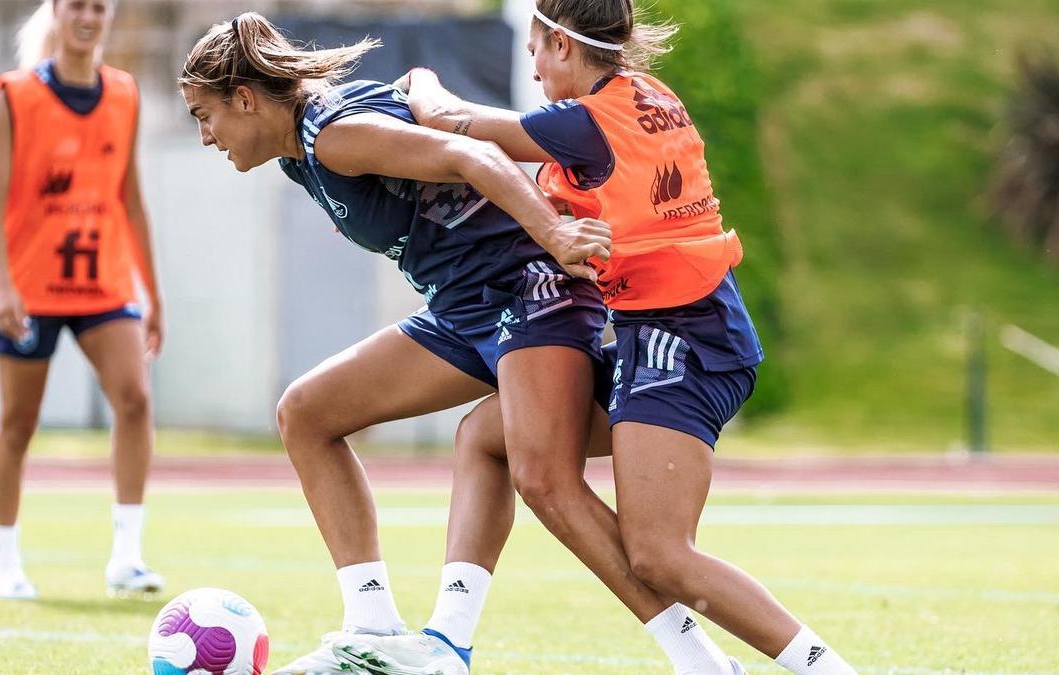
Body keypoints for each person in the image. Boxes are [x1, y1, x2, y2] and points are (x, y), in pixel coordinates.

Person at [179, 13, 743, 675]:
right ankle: (379, 629)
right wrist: (424, 87)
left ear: (246, 99)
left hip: (531, 292)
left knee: (547, 481)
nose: (205, 135)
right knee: (307, 413)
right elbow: (425, 118)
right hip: (465, 309)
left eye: (204, 114)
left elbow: (469, 155)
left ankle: (701, 660)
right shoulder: (303, 154)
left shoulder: (334, 135)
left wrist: (556, 236)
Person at [333, 1, 858, 674]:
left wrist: (420, 79)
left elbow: (453, 124)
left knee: (661, 552)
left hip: (686, 342)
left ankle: (823, 668)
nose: (530, 62)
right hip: (675, 332)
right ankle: (449, 638)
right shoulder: (647, 95)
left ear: (561, 45)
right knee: (488, 439)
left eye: (534, 47)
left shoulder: (584, 122)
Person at [0, 0, 164, 600]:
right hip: (29, 286)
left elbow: (132, 199)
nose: (88, 16)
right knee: (19, 421)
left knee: (135, 399)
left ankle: (127, 557)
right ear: (57, 13)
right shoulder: (14, 94)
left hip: (103, 283)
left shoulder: (125, 93)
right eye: (77, 5)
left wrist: (151, 292)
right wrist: (4, 284)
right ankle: (4, 561)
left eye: (99, 7)